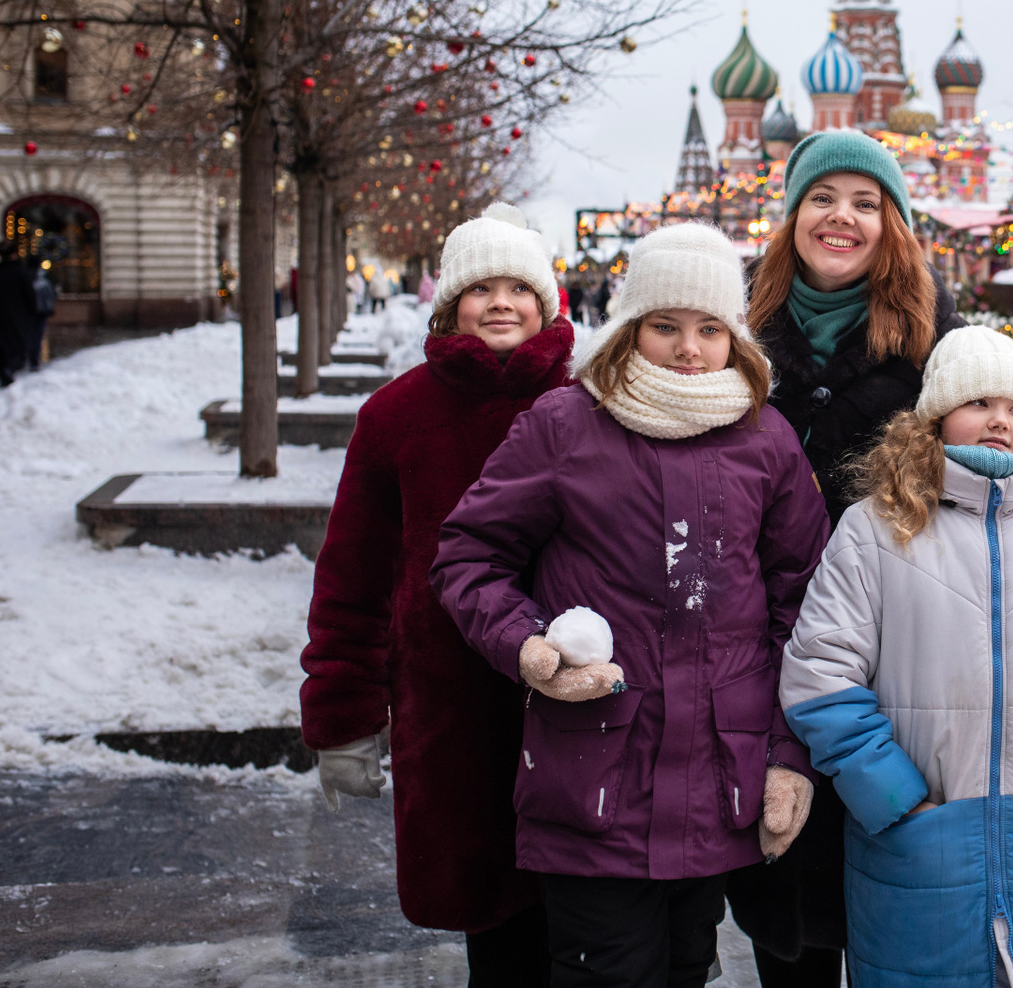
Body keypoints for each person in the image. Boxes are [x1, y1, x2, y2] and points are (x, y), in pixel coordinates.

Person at [432, 222, 831, 988]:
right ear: (630, 328)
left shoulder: (766, 438)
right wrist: (525, 644)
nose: (689, 348)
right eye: (665, 326)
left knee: (687, 969)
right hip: (595, 779)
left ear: (734, 337)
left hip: (717, 784)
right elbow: (468, 556)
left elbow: (805, 608)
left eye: (709, 328)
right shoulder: (565, 425)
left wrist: (789, 757)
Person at [781, 327, 1013, 988]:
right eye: (978, 401)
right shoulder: (874, 530)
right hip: (914, 848)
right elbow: (820, 675)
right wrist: (897, 802)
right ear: (934, 418)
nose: (999, 420)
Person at [300, 203, 573, 987]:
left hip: (582, 700)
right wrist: (344, 714)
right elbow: (353, 575)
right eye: (480, 288)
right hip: (454, 711)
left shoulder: (591, 402)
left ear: (546, 301)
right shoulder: (397, 416)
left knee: (598, 926)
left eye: (518, 288)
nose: (500, 304)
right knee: (498, 931)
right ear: (449, 304)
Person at [731, 129, 963, 988]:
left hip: (899, 660)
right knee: (785, 899)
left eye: (866, 202)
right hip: (762, 648)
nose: (842, 217)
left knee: (891, 900)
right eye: (823, 198)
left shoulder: (939, 341)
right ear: (793, 215)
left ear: (891, 222)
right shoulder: (736, 333)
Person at [0, 240, 39, 387]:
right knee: (16, 349)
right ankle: (11, 374)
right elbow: (30, 298)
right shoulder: (20, 273)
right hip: (17, 319)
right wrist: (32, 315)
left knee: (1, 351)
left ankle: (5, 376)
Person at [28, 261, 57, 370]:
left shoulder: (27, 278)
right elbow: (51, 295)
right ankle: (34, 358)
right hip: (41, 312)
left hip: (30, 313)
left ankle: (31, 357)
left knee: (31, 335)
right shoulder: (44, 280)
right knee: (38, 335)